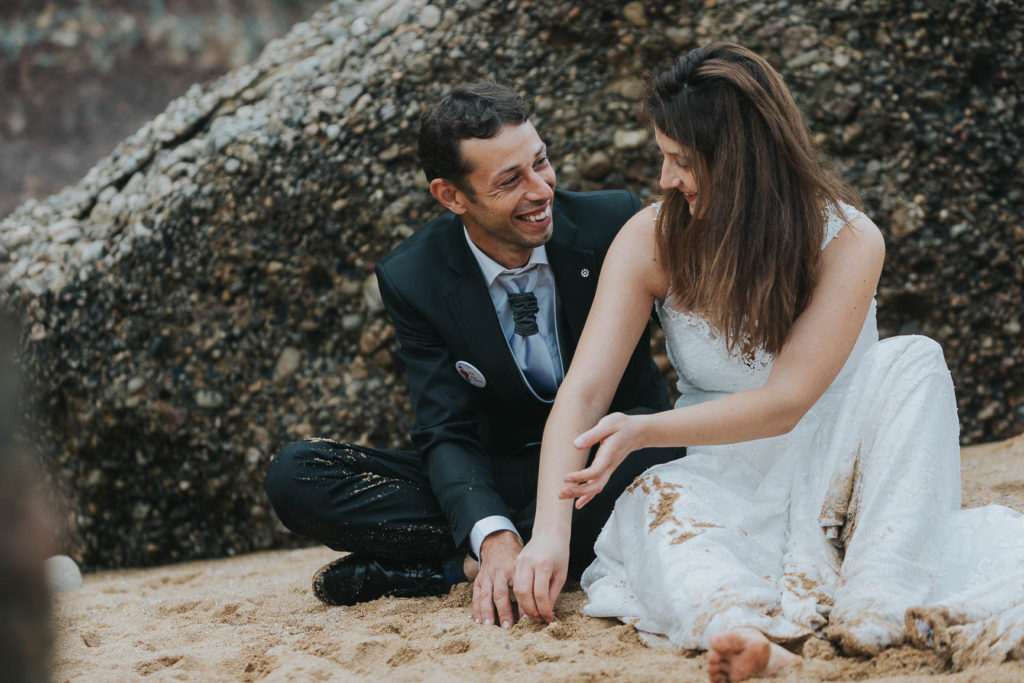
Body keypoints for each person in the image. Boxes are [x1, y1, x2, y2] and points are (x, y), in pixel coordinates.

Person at [513, 43, 1024, 681]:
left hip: (851, 464)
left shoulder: (849, 238)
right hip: (728, 479)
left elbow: (788, 401)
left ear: (740, 164)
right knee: (656, 509)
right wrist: (550, 531)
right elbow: (584, 394)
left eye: (681, 161)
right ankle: (756, 643)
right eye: (663, 157)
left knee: (913, 358)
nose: (666, 179)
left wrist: (644, 429)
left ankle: (876, 610)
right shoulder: (650, 240)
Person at [265, 82, 681, 628]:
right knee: (296, 474)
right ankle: (496, 552)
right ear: (451, 196)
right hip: (501, 473)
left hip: (609, 459)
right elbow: (446, 430)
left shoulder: (616, 224)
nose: (541, 190)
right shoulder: (413, 276)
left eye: (541, 162)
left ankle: (442, 570)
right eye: (511, 181)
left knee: (659, 449)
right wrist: (495, 534)